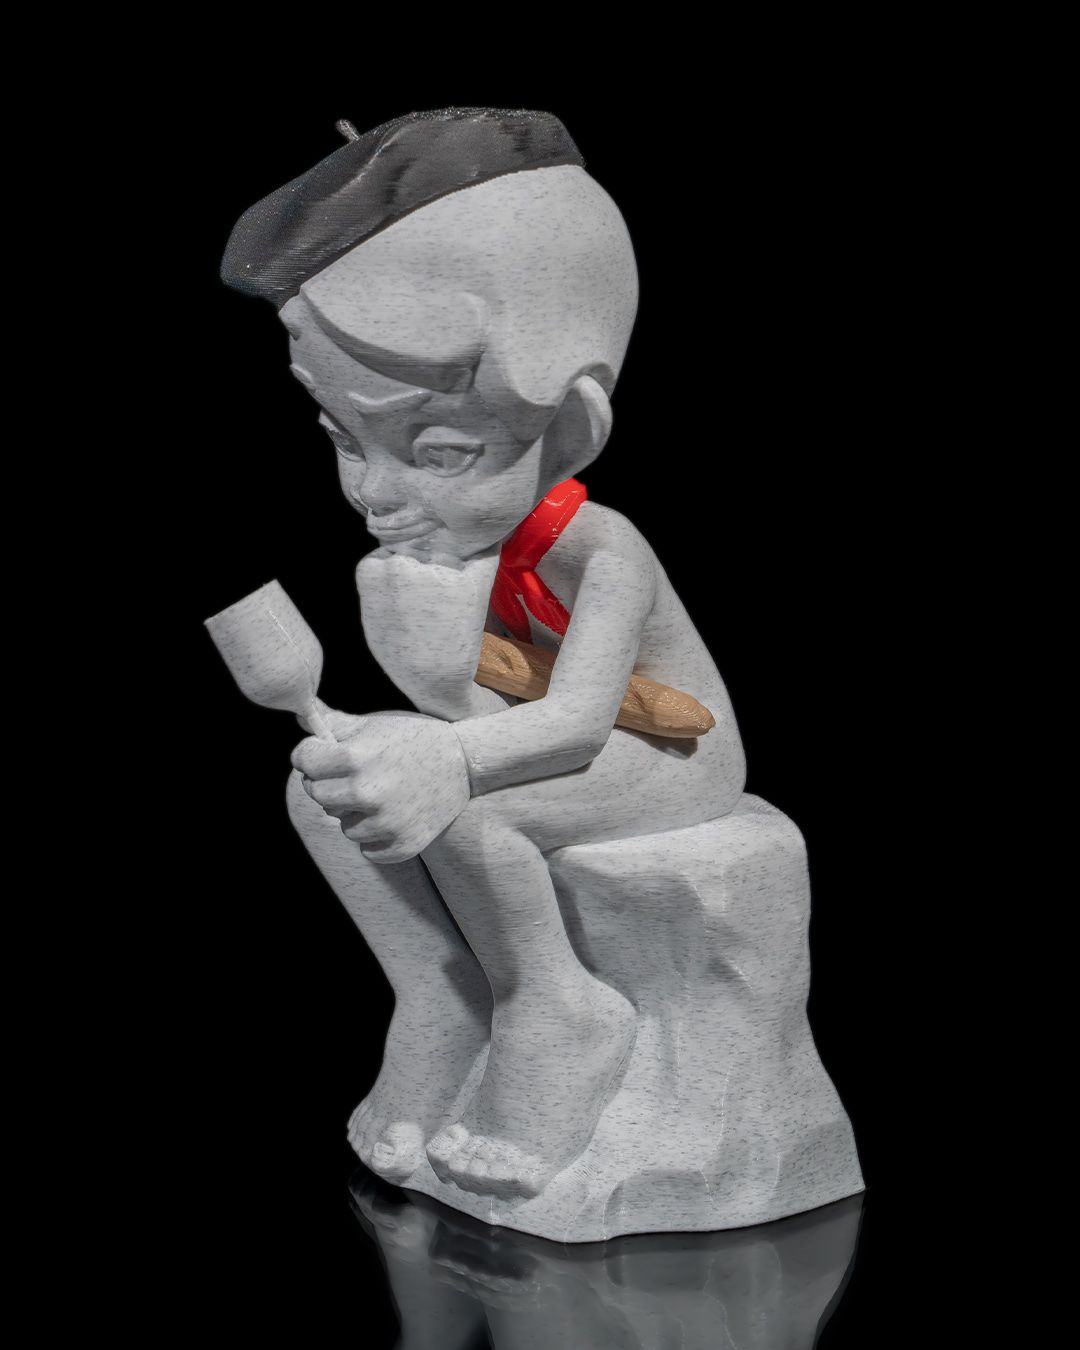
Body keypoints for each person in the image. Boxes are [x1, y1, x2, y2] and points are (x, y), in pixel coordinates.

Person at [222, 109, 747, 1201]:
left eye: (441, 449)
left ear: (573, 430)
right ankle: (440, 990)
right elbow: (467, 706)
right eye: (344, 440)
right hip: (534, 741)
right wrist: (416, 689)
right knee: (320, 791)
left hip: (668, 756)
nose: (375, 492)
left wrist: (448, 755)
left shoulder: (602, 550)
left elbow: (580, 723)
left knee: (459, 812)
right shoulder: (430, 558)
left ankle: (558, 1005)